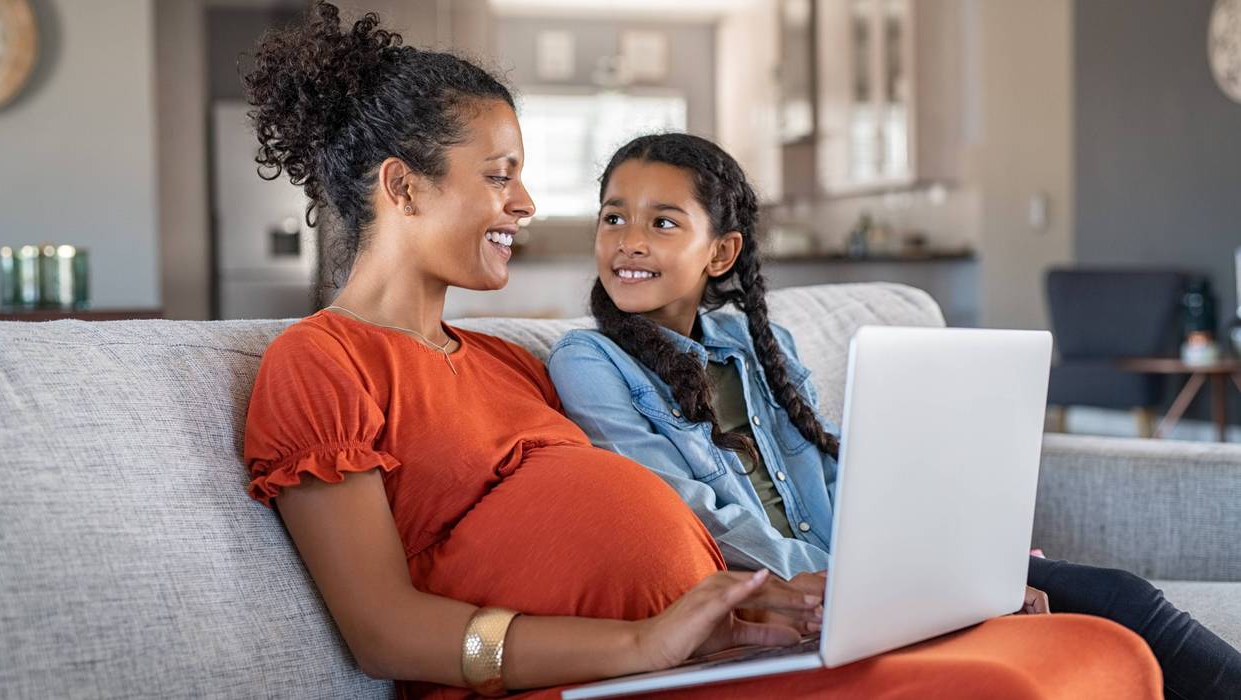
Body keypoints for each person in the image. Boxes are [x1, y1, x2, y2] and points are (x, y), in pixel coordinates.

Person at [242, 4, 1161, 698]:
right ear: (403, 187)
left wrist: (778, 607)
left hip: (721, 650)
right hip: (604, 681)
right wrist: (646, 645)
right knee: (1010, 682)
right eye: (500, 177)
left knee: (1095, 647)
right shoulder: (322, 364)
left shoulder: (502, 360)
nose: (525, 207)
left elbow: (665, 523)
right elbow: (384, 633)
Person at [546, 132, 1241, 700]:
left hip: (870, 585)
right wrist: (853, 586)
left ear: (720, 252)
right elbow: (680, 507)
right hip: (787, 602)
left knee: (1117, 597)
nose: (628, 241)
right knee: (1085, 621)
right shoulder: (590, 360)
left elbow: (837, 470)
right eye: (613, 217)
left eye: (662, 222)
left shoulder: (756, 345)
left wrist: (943, 560)